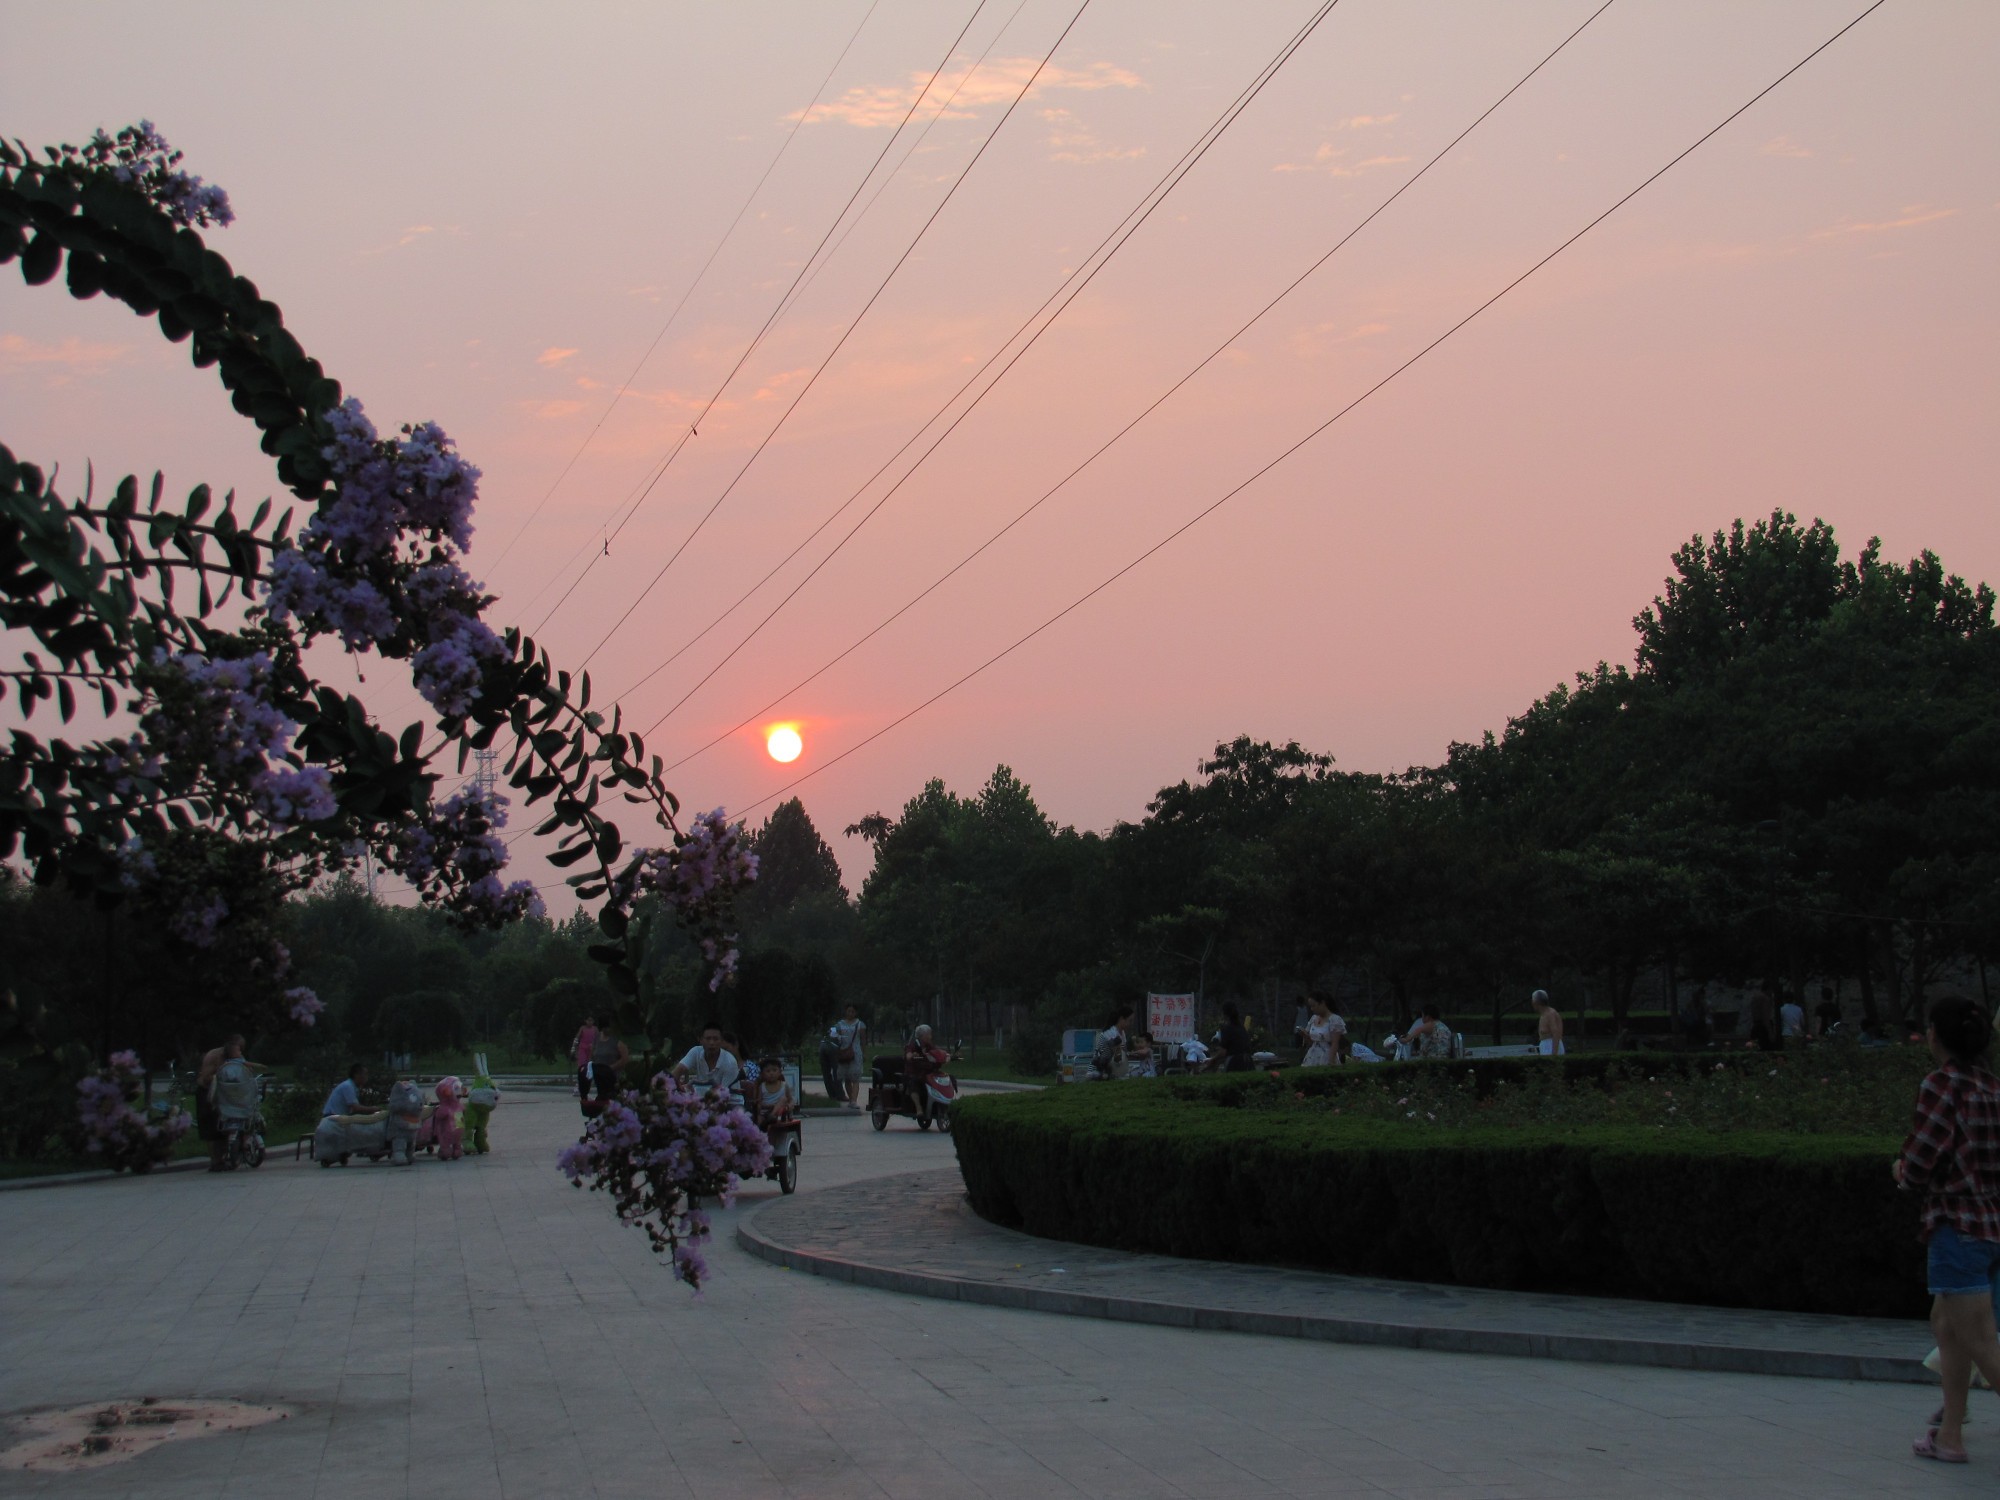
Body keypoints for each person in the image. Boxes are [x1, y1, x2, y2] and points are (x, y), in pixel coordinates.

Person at [1895, 996, 2000, 1463]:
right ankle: (1950, 1436)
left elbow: (1922, 1158)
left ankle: (1953, 1435)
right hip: (1989, 1224)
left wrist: (1903, 1172)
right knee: (1947, 1326)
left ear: (1934, 1035)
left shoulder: (1943, 1085)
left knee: (1979, 1338)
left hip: (1956, 1225)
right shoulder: (1992, 1087)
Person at [674, 1024, 742, 1096]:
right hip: (705, 1099)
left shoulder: (730, 1062)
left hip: (730, 1103)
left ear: (721, 1041)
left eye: (715, 1039)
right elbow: (680, 1069)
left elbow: (723, 1095)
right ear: (700, 1040)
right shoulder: (695, 1052)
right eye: (708, 1039)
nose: (711, 1043)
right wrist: (675, 1085)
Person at [904, 1025, 949, 1123]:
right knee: (914, 1083)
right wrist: (912, 1055)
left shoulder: (929, 1046)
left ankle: (945, 1101)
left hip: (928, 1072)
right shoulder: (912, 1045)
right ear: (921, 1036)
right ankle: (919, 1108)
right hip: (915, 1073)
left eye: (930, 1034)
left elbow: (937, 1052)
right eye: (928, 1034)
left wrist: (945, 1056)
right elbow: (908, 1055)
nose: (930, 1036)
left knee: (948, 1079)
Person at [582, 1027, 628, 1116]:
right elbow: (592, 1057)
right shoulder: (597, 1039)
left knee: (614, 1104)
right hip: (600, 1082)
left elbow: (624, 1059)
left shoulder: (618, 1040)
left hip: (615, 1080)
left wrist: (609, 1068)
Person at [829, 1004, 866, 1110]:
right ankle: (851, 1100)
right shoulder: (839, 1024)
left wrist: (864, 1053)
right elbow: (833, 1036)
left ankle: (854, 1101)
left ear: (856, 1013)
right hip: (843, 1053)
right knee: (847, 1079)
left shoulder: (860, 1024)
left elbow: (863, 1040)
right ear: (845, 1012)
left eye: (853, 1011)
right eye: (849, 1011)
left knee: (856, 1077)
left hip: (856, 1053)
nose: (850, 1013)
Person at [1302, 992, 1346, 1067]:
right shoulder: (1313, 1018)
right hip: (1312, 1055)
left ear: (1322, 1003)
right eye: (1311, 1006)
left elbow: (1335, 1043)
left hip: (1326, 1054)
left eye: (1314, 1006)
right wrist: (1304, 1035)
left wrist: (1331, 1061)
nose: (1312, 1009)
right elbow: (1311, 1042)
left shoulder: (1335, 1020)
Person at [1092, 1003, 1135, 1079]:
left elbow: (1123, 1052)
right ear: (1122, 1019)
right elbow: (1118, 1057)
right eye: (1130, 1020)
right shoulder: (1112, 1033)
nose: (1131, 1024)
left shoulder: (1122, 1033)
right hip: (1103, 1070)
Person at [751, 1057, 794, 1126]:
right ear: (762, 1074)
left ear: (780, 1072)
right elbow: (759, 1102)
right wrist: (766, 1106)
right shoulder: (762, 1086)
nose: (771, 1073)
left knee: (784, 1099)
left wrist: (789, 1106)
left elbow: (791, 1100)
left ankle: (772, 1115)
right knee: (758, 1120)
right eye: (768, 1071)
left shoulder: (784, 1085)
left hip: (779, 1113)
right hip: (765, 1112)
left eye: (774, 1070)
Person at [1216, 1003, 1253, 1072]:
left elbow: (1222, 1052)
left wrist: (1212, 1061)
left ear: (1225, 1015)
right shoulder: (1242, 1028)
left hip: (1234, 1063)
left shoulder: (1227, 1029)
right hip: (1248, 1062)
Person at [571, 1013, 598, 1100]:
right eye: (588, 1020)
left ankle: (586, 1087)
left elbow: (598, 1039)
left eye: (591, 1020)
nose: (590, 1022)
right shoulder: (582, 1028)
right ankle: (577, 1086)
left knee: (589, 1068)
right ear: (585, 1021)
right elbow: (577, 1038)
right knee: (581, 1067)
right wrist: (573, 1048)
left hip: (591, 1049)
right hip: (582, 1049)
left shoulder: (595, 1029)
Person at [1532, 990, 1565, 1056]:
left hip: (1551, 1047)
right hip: (1546, 1046)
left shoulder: (1550, 1014)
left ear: (1536, 1002)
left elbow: (1556, 1034)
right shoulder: (1543, 1014)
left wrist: (1554, 1054)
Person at [1749, 985, 1780, 1053]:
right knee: (1767, 1050)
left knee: (1756, 1049)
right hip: (1763, 1028)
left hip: (1756, 1025)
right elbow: (1765, 1016)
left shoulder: (1754, 998)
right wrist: (1770, 1032)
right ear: (1769, 989)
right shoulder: (1766, 999)